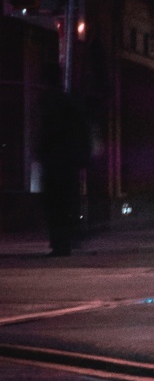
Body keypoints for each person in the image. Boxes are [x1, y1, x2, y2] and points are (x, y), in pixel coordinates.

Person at [38, 60, 89, 256]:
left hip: (56, 162)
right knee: (64, 203)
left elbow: (49, 131)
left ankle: (60, 243)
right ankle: (63, 242)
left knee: (55, 204)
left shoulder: (51, 100)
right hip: (66, 163)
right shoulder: (66, 100)